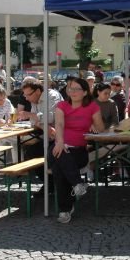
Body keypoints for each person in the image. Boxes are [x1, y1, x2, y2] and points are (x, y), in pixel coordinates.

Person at [51, 77, 105, 223]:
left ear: (85, 92)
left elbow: (101, 129)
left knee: (59, 168)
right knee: (59, 159)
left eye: (77, 89)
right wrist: (61, 142)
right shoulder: (61, 105)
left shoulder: (92, 107)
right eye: (70, 88)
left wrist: (95, 124)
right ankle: (76, 186)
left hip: (79, 150)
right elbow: (59, 124)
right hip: (60, 147)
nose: (72, 92)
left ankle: (66, 209)